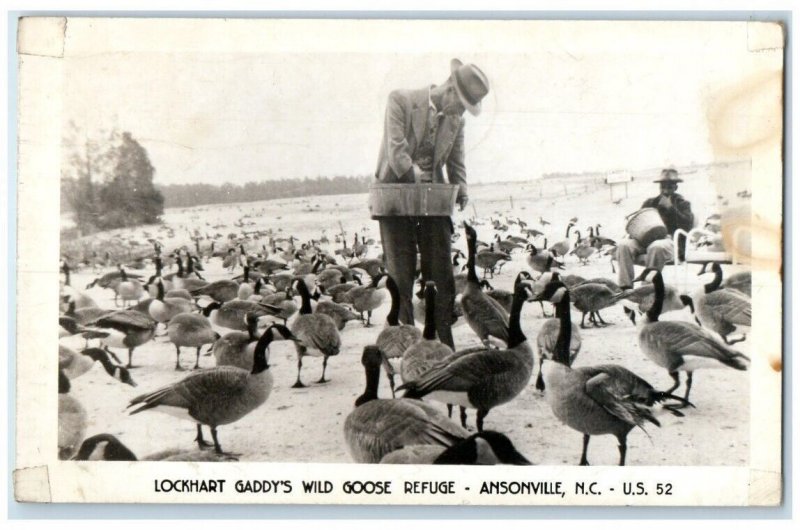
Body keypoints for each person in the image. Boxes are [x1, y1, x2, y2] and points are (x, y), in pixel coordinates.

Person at [374, 59, 490, 349]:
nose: (461, 112)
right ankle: (408, 343)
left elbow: (456, 160)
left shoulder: (456, 120)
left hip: (433, 201)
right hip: (395, 197)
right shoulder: (400, 99)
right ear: (449, 89)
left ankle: (443, 343)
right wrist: (417, 177)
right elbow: (396, 149)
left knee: (441, 273)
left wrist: (460, 188)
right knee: (400, 275)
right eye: (461, 104)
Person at [617, 168, 694, 288]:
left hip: (670, 240)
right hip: (645, 240)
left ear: (675, 188)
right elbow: (639, 221)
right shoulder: (650, 202)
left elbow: (687, 225)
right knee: (624, 245)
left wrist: (671, 208)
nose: (665, 190)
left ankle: (646, 288)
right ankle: (625, 288)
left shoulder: (682, 204)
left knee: (656, 246)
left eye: (669, 187)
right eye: (663, 187)